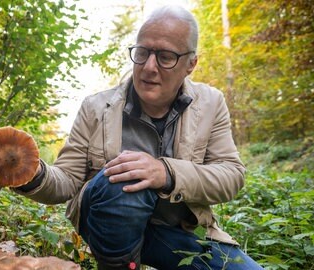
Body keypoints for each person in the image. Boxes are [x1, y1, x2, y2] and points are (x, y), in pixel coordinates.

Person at [13, 5, 263, 270]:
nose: (148, 67)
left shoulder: (211, 103)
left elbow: (231, 175)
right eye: (142, 53)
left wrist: (166, 173)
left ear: (191, 64)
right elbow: (67, 180)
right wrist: (33, 173)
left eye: (165, 56)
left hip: (178, 231)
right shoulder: (96, 108)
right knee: (125, 176)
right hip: (107, 224)